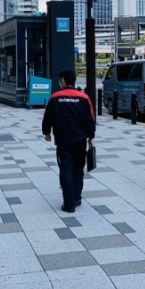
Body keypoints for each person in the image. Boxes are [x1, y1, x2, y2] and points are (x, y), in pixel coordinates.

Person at [42, 68, 96, 213]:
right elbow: (90, 119)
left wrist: (46, 132)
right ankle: (77, 197)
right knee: (78, 169)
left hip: (63, 141)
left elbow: (47, 117)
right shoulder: (84, 98)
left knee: (65, 170)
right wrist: (91, 137)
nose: (60, 82)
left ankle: (69, 203)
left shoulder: (55, 98)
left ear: (64, 81)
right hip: (80, 141)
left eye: (60, 80)